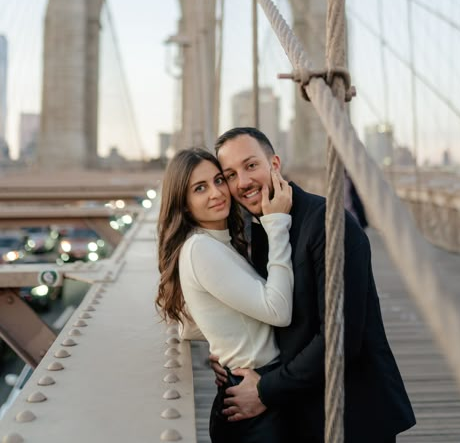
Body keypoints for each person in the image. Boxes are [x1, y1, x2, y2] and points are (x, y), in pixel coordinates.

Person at [211, 127, 416, 443]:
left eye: (251, 165)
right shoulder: (256, 232)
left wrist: (265, 389)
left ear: (275, 164)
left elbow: (340, 337)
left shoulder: (330, 224)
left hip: (352, 417)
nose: (243, 182)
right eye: (231, 174)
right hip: (297, 413)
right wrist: (227, 347)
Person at [156, 147, 294, 443]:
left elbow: (190, 325)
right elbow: (278, 311)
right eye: (200, 188)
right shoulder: (201, 249)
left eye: (219, 180)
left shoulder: (217, 242)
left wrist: (223, 342)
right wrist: (278, 225)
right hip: (253, 401)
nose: (217, 193)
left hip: (252, 388)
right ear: (184, 202)